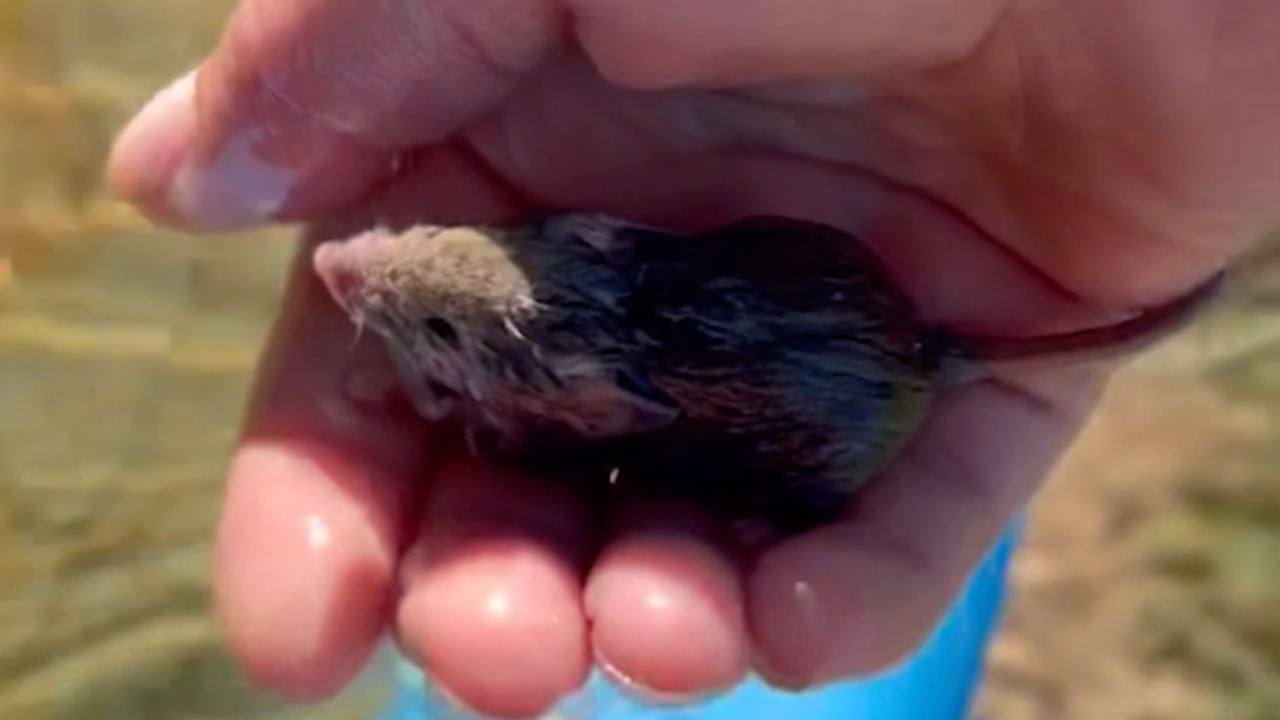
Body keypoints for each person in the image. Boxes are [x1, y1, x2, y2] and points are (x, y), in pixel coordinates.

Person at [107, 2, 1279, 718]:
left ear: (577, 403)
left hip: (827, 408)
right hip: (842, 332)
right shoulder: (579, 263)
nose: (361, 269)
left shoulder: (572, 391)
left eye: (442, 315)